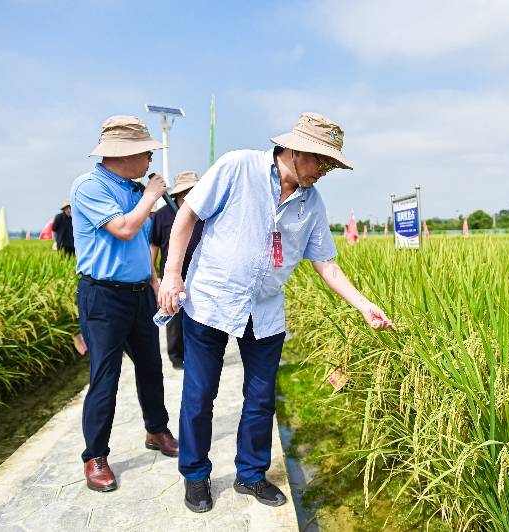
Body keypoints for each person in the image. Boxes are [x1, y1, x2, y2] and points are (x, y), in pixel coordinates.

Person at [158, 112, 394, 513]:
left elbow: (327, 264)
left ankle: (251, 475)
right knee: (199, 395)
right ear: (297, 150)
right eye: (322, 161)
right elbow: (188, 214)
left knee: (261, 398)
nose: (324, 172)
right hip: (211, 300)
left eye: (330, 165)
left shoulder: (312, 203)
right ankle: (195, 475)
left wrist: (363, 305)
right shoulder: (237, 166)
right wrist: (171, 274)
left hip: (265, 310)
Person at [70, 115, 178, 493]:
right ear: (125, 154)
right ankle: (95, 456)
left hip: (138, 293)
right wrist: (151, 196)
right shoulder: (89, 187)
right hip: (103, 296)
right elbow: (124, 229)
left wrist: (155, 280)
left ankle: (157, 430)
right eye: (146, 152)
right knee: (105, 376)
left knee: (151, 367)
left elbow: (138, 245)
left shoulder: (133, 190)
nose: (150, 159)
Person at [150, 171, 204, 369]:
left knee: (200, 316)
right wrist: (153, 275)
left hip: (199, 273)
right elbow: (154, 245)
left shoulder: (204, 211)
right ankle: (176, 356)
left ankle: (197, 354)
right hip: (173, 275)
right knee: (174, 317)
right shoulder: (163, 215)